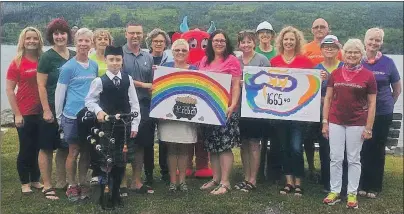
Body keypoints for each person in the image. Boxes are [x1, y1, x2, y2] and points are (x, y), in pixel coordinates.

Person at [322, 39, 377, 209]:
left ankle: (352, 193)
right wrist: (325, 122)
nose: (352, 55)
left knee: (354, 159)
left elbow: (372, 103)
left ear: (361, 55)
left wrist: (369, 127)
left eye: (356, 52)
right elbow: (329, 99)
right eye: (349, 52)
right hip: (336, 121)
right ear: (343, 54)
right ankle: (335, 191)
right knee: (335, 158)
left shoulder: (369, 76)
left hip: (357, 122)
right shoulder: (335, 74)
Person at [85, 45, 141, 209]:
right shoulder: (99, 81)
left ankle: (116, 195)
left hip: (124, 126)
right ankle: (105, 197)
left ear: (122, 61)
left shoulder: (128, 79)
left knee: (120, 163)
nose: (115, 63)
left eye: (118, 60)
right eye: (112, 59)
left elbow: (134, 103)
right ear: (106, 60)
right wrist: (99, 111)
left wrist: (135, 125)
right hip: (107, 127)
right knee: (106, 163)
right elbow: (89, 101)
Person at [55, 28, 98, 202]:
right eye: (80, 40)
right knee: (73, 151)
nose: (83, 44)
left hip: (89, 116)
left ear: (91, 44)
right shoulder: (68, 67)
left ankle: (83, 184)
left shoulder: (94, 65)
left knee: (87, 151)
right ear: (75, 42)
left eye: (87, 41)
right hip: (72, 116)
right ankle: (71, 185)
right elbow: (60, 93)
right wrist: (59, 117)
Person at [270, 26, 314, 197]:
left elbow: (313, 83)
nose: (288, 42)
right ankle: (288, 182)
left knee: (296, 148)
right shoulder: (274, 61)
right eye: (286, 39)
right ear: (281, 41)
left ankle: (299, 182)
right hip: (280, 114)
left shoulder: (305, 61)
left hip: (298, 114)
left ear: (297, 42)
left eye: (292, 39)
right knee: (284, 147)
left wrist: (321, 77)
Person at [359, 28, 402, 199]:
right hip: (360, 113)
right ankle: (361, 183)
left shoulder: (388, 63)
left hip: (382, 113)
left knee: (377, 149)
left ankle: (374, 186)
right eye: (371, 39)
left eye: (377, 40)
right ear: (365, 40)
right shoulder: (357, 60)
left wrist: (387, 104)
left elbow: (397, 89)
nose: (374, 43)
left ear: (381, 43)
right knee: (362, 148)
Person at [198, 30, 242, 195]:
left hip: (226, 109)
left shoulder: (232, 60)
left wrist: (233, 105)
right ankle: (215, 178)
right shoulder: (204, 60)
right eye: (216, 40)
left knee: (224, 147)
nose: (219, 43)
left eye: (222, 41)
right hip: (208, 109)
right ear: (210, 42)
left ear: (227, 43)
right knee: (212, 146)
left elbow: (236, 85)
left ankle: (225, 182)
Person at [37, 18, 75, 200]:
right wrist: (46, 109)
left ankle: (62, 181)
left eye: (62, 33)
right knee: (46, 147)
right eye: (56, 33)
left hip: (69, 111)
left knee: (64, 148)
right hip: (50, 108)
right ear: (51, 36)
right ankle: (47, 185)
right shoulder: (46, 57)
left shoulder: (74, 55)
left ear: (68, 35)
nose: (59, 36)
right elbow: (41, 86)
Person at [6, 27, 44, 194]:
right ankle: (24, 181)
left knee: (38, 147)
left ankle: (35, 179)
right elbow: (9, 89)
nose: (31, 41)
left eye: (35, 38)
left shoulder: (43, 59)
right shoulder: (17, 62)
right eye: (28, 38)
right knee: (26, 148)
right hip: (25, 112)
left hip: (42, 111)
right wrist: (17, 114)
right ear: (23, 40)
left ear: (39, 41)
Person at [159, 39, 198, 192]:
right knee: (171, 148)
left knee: (183, 149)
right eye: (177, 50)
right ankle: (172, 181)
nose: (180, 53)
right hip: (168, 116)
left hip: (187, 114)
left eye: (183, 50)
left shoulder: (194, 69)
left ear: (188, 53)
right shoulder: (164, 69)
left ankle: (182, 181)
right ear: (172, 52)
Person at [121, 21, 155, 195]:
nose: (135, 36)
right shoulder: (119, 54)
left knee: (141, 145)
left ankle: (136, 180)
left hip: (143, 106)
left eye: (138, 33)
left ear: (143, 35)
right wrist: (143, 84)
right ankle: (122, 182)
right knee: (123, 145)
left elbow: (153, 85)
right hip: (123, 106)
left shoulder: (148, 57)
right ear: (125, 34)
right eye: (132, 33)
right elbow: (121, 78)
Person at [234, 30, 270, 192]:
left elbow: (269, 82)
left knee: (255, 144)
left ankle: (253, 179)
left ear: (254, 43)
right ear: (239, 44)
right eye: (243, 42)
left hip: (256, 108)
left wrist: (249, 83)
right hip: (240, 108)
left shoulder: (262, 60)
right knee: (244, 144)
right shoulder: (236, 60)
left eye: (249, 42)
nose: (246, 45)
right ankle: (246, 177)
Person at [314, 35, 346, 193]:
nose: (329, 49)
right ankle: (327, 181)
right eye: (326, 46)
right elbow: (309, 94)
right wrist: (318, 85)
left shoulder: (345, 66)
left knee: (342, 150)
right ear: (321, 49)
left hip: (342, 115)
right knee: (325, 148)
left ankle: (343, 181)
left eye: (332, 46)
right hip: (323, 115)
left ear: (338, 49)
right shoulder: (316, 69)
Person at [144, 28, 172, 185]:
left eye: (161, 41)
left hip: (164, 103)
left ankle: (165, 172)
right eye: (155, 41)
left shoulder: (169, 60)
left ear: (166, 43)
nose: (159, 44)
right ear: (150, 42)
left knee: (164, 139)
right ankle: (148, 173)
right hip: (146, 102)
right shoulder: (144, 58)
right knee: (148, 140)